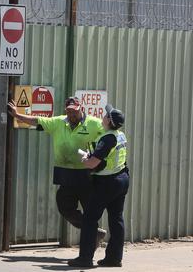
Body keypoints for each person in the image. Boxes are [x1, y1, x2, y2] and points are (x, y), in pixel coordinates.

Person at [8, 96, 106, 243]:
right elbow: (37, 120)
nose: (72, 114)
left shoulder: (94, 123)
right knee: (64, 208)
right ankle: (93, 231)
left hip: (87, 174)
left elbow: (109, 136)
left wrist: (98, 155)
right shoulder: (59, 122)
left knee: (91, 211)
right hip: (65, 174)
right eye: (69, 111)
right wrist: (17, 115)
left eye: (75, 111)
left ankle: (89, 244)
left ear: (81, 109)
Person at [68, 104, 130, 268]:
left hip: (107, 183)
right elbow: (108, 156)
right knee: (116, 218)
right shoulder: (120, 135)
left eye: (105, 115)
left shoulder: (107, 138)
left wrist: (86, 160)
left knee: (89, 219)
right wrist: (94, 157)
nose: (103, 116)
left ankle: (85, 259)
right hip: (121, 178)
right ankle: (114, 258)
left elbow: (93, 163)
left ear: (109, 121)